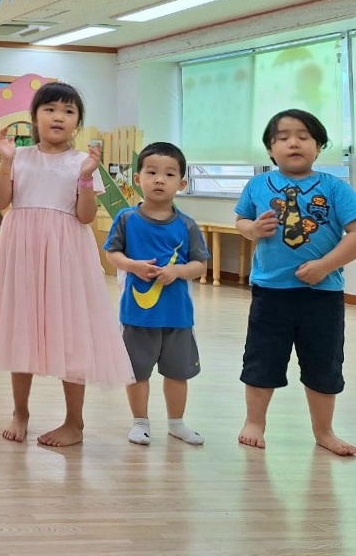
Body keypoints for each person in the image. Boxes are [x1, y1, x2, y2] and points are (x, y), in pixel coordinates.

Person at [0, 81, 133, 447]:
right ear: (34, 117)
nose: (58, 117)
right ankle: (20, 412)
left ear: (78, 122)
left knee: (72, 331)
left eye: (68, 111)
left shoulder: (83, 162)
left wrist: (86, 178)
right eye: (49, 109)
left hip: (66, 252)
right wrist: (5, 162)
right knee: (22, 327)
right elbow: (1, 202)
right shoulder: (19, 156)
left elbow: (85, 216)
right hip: (22, 250)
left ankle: (74, 423)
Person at [234, 109, 356, 456]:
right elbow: (242, 221)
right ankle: (254, 422)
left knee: (324, 363)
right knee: (261, 359)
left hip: (322, 295)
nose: (293, 143)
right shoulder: (258, 185)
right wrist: (252, 229)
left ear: (319, 146)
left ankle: (324, 431)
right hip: (271, 293)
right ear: (270, 149)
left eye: (303, 136)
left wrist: (324, 266)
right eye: (283, 137)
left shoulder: (336, 188)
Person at [102, 142, 208, 446]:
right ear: (138, 179)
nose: (160, 179)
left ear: (181, 184)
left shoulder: (187, 225)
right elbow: (112, 254)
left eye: (169, 174)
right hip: (136, 316)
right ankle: (140, 423)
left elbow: (200, 265)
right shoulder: (126, 218)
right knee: (137, 373)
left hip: (177, 317)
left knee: (178, 373)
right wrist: (133, 266)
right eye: (151, 172)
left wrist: (177, 271)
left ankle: (177, 424)